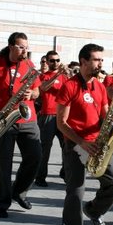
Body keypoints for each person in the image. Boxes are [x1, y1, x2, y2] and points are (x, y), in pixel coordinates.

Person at [56, 43, 113, 225]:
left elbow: (105, 115)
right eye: (96, 60)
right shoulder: (69, 86)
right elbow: (61, 123)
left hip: (97, 143)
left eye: (101, 60)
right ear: (83, 61)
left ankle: (93, 210)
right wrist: (81, 142)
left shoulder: (100, 86)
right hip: (75, 144)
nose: (100, 64)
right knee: (76, 190)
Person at [0, 32, 42, 218]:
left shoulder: (29, 65)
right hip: (3, 120)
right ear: (11, 46)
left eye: (26, 47)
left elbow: (37, 90)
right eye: (21, 47)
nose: (25, 50)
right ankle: (1, 203)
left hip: (28, 119)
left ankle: (18, 192)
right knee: (3, 165)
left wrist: (32, 95)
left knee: (35, 157)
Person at [35, 50, 68, 187]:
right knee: (45, 148)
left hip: (62, 116)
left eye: (57, 60)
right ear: (47, 62)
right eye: (52, 60)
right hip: (47, 115)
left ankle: (66, 173)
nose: (55, 63)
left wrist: (69, 73)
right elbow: (43, 88)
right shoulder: (43, 76)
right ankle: (40, 177)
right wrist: (57, 75)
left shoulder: (65, 77)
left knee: (67, 147)